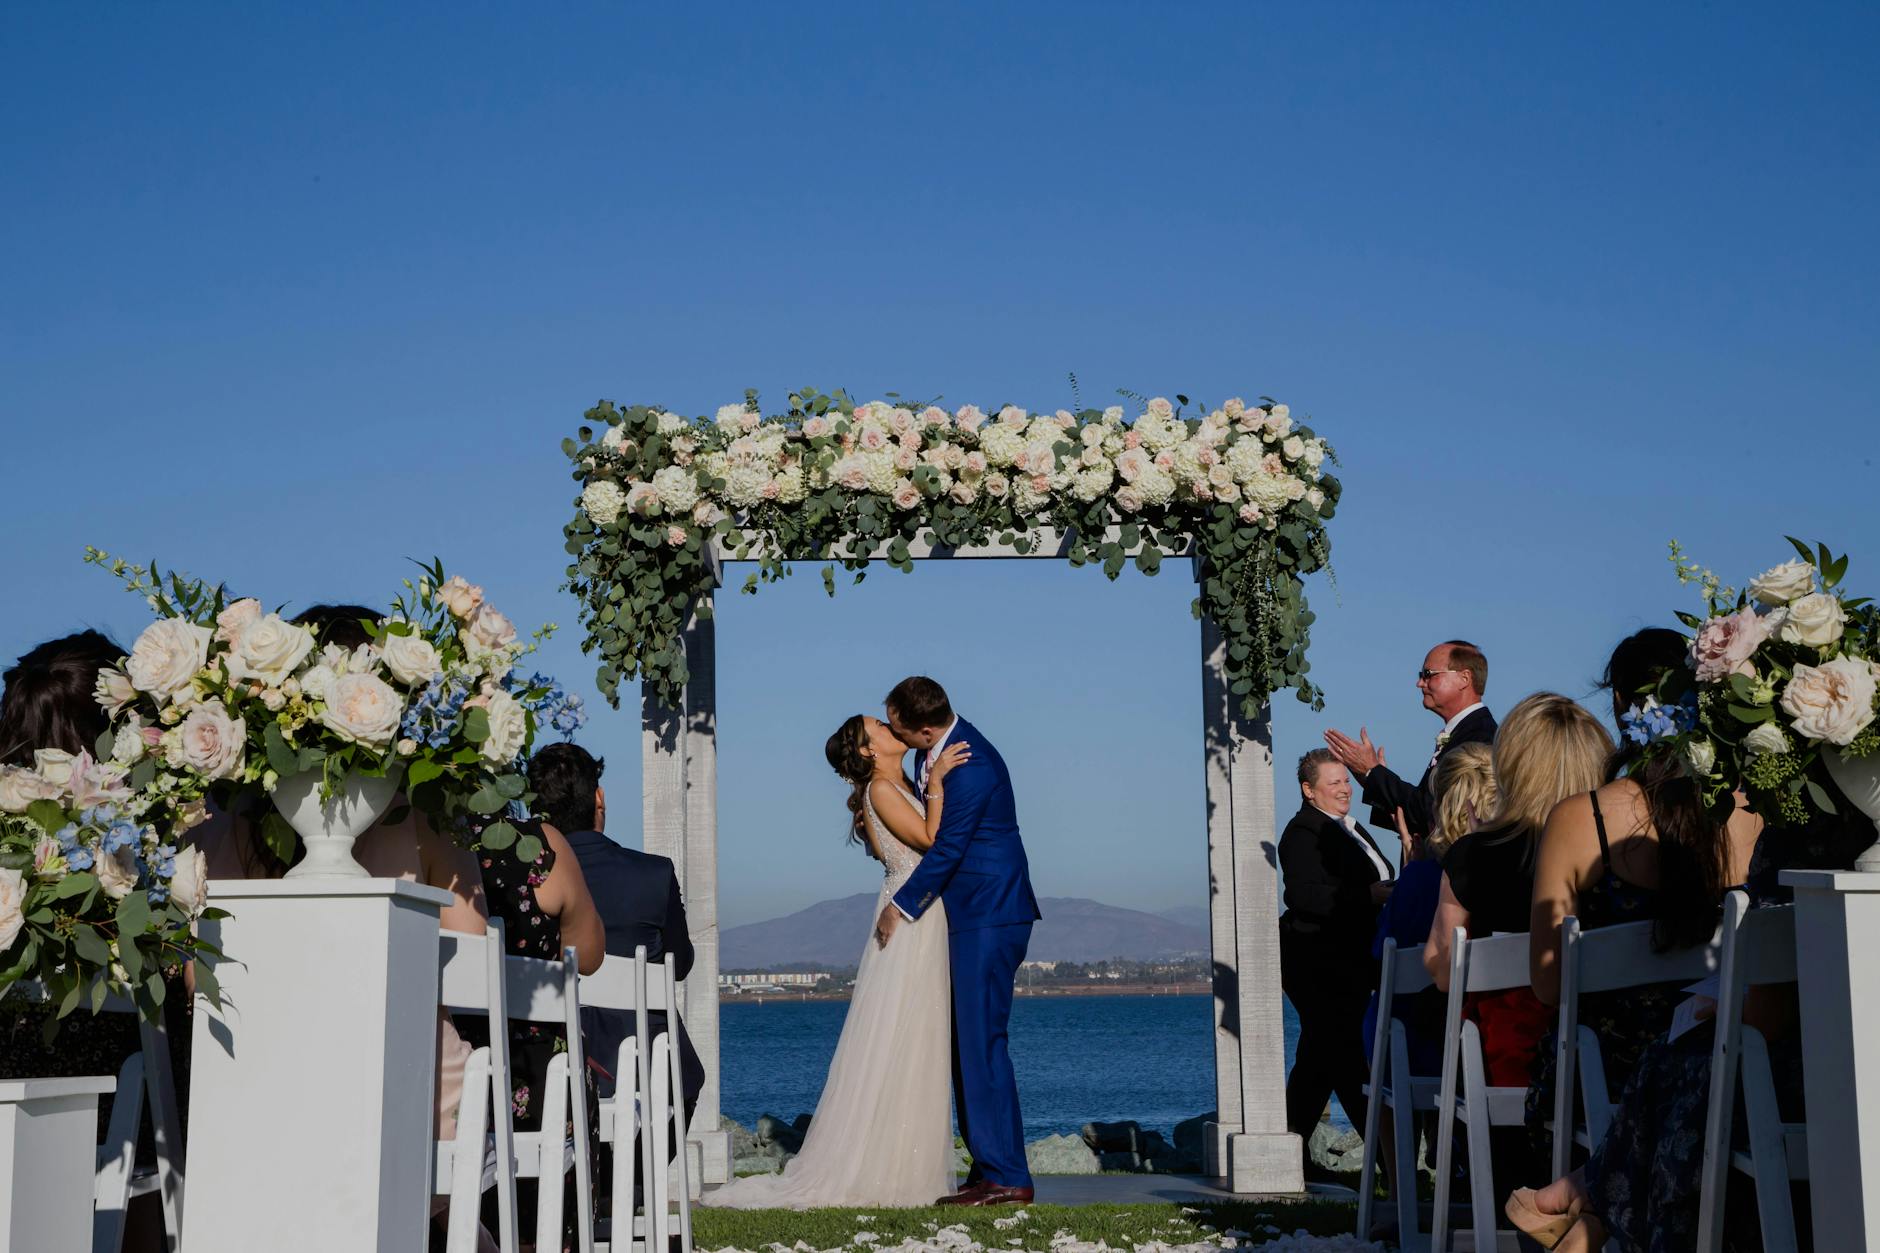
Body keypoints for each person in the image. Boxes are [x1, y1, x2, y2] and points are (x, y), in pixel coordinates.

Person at [186, 605, 495, 1250]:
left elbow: (194, 981)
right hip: (415, 1114)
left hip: (249, 1121)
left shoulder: (218, 836)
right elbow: (473, 959)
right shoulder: (421, 824)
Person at [703, 712, 971, 1208]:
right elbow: (933, 842)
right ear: (869, 750)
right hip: (911, 920)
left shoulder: (895, 784)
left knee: (913, 1039)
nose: (892, 729)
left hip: (919, 916)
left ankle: (905, 1163)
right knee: (901, 1037)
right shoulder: (883, 792)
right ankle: (888, 1170)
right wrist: (936, 782)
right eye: (880, 727)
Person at [877, 676, 1042, 1207]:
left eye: (897, 725)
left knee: (982, 1044)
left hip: (989, 914)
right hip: (972, 915)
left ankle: (1008, 1176)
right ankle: (989, 1166)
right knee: (968, 1045)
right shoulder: (941, 753)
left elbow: (946, 850)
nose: (892, 732)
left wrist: (899, 907)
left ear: (925, 728)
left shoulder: (971, 765)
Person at [1425, 694, 1611, 1087]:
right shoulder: (1620, 855)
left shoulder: (1473, 857)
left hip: (1506, 1069)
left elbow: (1442, 970)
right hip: (1608, 1064)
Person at [527, 741, 702, 1117]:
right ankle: (637, 1177)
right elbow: (680, 963)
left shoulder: (528, 882)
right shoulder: (654, 873)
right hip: (652, 1079)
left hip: (552, 1078)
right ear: (599, 797)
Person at [458, 813, 605, 1252]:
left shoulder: (417, 834)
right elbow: (589, 955)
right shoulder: (536, 843)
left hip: (448, 1063)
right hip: (538, 1074)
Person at [1278, 748, 1394, 1148]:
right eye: (1335, 783)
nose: (1345, 789)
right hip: (1318, 962)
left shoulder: (1352, 827)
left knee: (1319, 1059)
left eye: (1346, 780)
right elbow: (1303, 895)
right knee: (1343, 1055)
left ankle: (1288, 1146)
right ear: (1309, 790)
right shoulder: (1302, 833)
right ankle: (1385, 1156)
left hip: (1354, 960)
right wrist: (1366, 895)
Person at [1363, 740, 1499, 1077]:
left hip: (1421, 1050)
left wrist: (1411, 872)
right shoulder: (1514, 872)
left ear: (1444, 805)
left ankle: (1389, 1131)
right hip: (1496, 1043)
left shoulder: (1423, 880)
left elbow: (1382, 957)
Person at [1326, 640, 1498, 844]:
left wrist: (1374, 773)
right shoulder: (1467, 730)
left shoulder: (1479, 736)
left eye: (1428, 675)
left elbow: (1434, 811)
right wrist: (1371, 779)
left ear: (1464, 678)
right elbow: (1423, 813)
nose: (1420, 683)